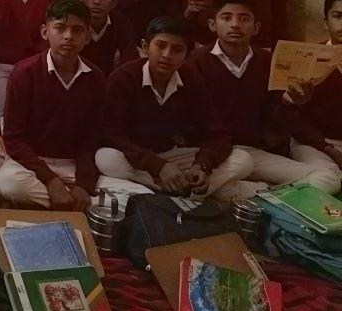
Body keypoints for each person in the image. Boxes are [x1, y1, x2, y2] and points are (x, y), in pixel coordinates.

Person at [0, 0, 149, 210]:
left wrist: (84, 185)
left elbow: (91, 138)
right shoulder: (24, 73)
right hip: (30, 163)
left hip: (73, 164)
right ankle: (87, 206)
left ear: (87, 37)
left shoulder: (95, 77)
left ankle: (74, 201)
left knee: (142, 195)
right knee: (11, 185)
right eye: (60, 28)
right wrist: (50, 180)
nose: (68, 36)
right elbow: (13, 138)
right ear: (45, 32)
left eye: (77, 30)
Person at [185, 0, 340, 195]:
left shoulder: (265, 61)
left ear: (256, 28)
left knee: (328, 178)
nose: (235, 24)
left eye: (244, 19)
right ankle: (259, 193)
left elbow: (275, 118)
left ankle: (263, 197)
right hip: (208, 153)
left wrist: (291, 102)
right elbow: (191, 119)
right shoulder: (196, 61)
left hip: (253, 151)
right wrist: (207, 158)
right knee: (233, 169)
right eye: (226, 18)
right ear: (212, 24)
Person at [96, 16, 253, 199]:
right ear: (145, 46)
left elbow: (217, 132)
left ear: (187, 53)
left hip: (171, 155)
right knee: (106, 159)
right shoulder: (124, 77)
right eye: (160, 46)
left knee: (244, 160)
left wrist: (202, 166)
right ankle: (173, 193)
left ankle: (170, 192)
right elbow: (111, 134)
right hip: (136, 158)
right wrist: (159, 167)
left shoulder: (190, 78)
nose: (167, 55)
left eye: (177, 49)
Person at [289, 0, 342, 177]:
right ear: (325, 21)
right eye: (338, 16)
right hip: (313, 144)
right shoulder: (307, 58)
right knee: (329, 175)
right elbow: (294, 120)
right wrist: (331, 150)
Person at [79, 0, 138, 76]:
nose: (96, 1)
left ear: (114, 2)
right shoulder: (72, 23)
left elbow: (131, 64)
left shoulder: (122, 23)